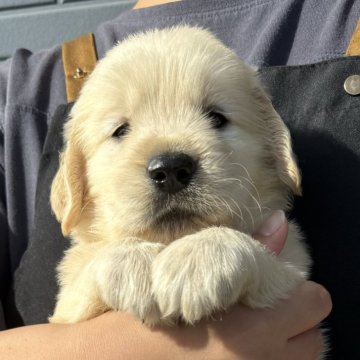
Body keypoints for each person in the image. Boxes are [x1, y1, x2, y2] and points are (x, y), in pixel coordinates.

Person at [1, 0, 359, 358]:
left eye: (217, 118)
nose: (169, 166)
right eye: (120, 130)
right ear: (75, 178)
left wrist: (243, 259)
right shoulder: (18, 98)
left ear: (275, 149)